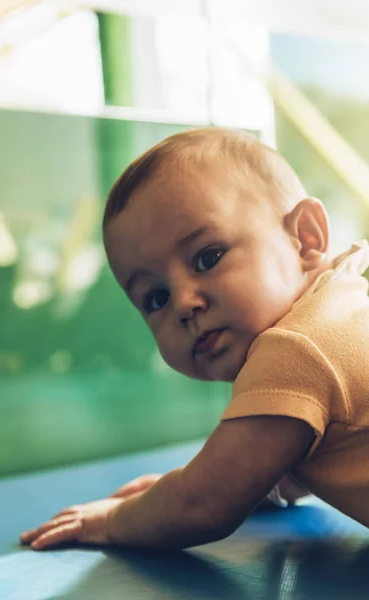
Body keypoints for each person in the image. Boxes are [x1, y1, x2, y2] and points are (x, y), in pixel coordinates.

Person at [20, 127, 369, 551]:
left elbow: (202, 503)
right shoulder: (344, 297)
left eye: (208, 257)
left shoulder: (296, 348)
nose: (183, 304)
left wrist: (113, 520)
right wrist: (248, 478)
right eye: (156, 297)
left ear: (307, 238)